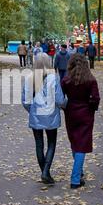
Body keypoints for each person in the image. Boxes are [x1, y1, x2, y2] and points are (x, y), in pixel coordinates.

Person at [22, 52, 66, 185]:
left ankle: (44, 172)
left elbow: (26, 100)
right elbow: (59, 99)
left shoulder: (30, 78)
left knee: (39, 144)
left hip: (36, 114)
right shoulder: (54, 77)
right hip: (51, 114)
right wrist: (65, 104)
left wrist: (33, 111)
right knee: (51, 143)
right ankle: (46, 172)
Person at [61, 55, 100, 189]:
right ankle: (76, 178)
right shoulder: (91, 80)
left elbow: (61, 97)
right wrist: (91, 108)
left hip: (71, 113)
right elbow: (95, 99)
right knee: (81, 145)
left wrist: (65, 106)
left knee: (75, 142)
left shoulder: (66, 80)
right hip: (86, 114)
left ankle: (79, 171)